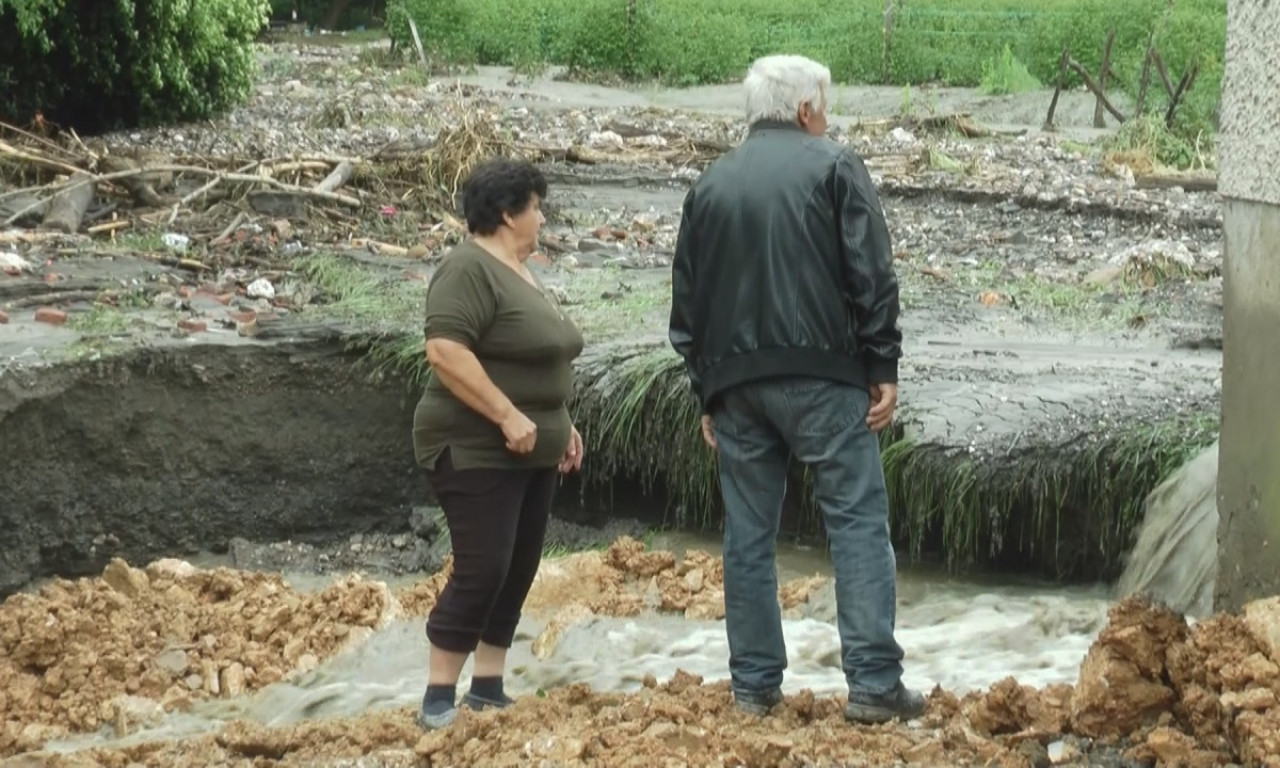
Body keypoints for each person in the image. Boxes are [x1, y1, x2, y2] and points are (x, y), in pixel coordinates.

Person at [667, 54, 924, 725]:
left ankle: (753, 686)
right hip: (823, 376)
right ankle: (873, 684)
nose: (827, 120)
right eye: (824, 108)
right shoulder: (835, 165)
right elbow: (872, 273)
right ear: (806, 109)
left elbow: (687, 302)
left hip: (736, 387)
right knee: (856, 523)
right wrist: (882, 365)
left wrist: (706, 389)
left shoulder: (709, 183)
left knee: (748, 535)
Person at [411, 157, 586, 729]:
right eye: (537, 207)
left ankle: (487, 685)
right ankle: (438, 696)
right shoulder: (467, 269)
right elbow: (445, 351)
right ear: (509, 214)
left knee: (518, 565)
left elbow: (537, 358)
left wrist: (561, 424)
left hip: (532, 449)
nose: (543, 217)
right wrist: (508, 416)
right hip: (474, 446)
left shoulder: (520, 270)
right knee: (484, 566)